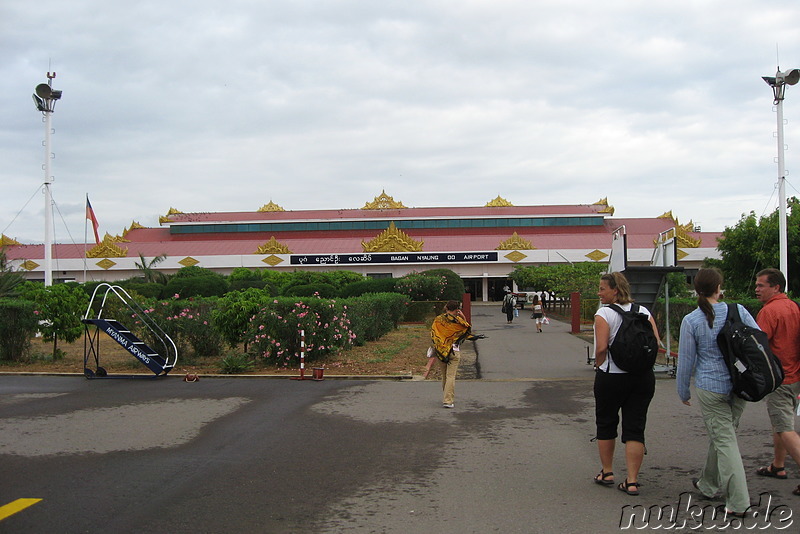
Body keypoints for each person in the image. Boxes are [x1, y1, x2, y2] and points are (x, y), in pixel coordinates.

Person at [677, 268, 754, 517]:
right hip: (740, 384)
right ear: (719, 286)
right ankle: (708, 484)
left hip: (711, 387)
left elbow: (686, 361)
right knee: (723, 435)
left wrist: (683, 392)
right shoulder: (739, 310)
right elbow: (757, 340)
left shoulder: (692, 320)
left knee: (724, 440)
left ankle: (739, 501)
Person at [592, 272, 659, 496]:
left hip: (611, 376)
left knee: (606, 422)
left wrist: (598, 365)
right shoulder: (644, 312)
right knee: (635, 427)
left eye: (603, 289)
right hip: (642, 378)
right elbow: (656, 342)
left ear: (615, 291)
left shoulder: (604, 313)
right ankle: (632, 480)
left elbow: (601, 348)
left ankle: (607, 472)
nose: (599, 293)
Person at [752, 268, 800, 496]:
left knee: (784, 428)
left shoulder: (768, 311)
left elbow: (758, 347)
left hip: (779, 378)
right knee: (780, 423)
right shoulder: (793, 306)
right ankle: (778, 465)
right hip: (794, 375)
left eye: (761, 285)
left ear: (776, 287)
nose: (756, 289)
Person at [430, 300, 474, 408]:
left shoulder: (438, 320)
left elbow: (433, 333)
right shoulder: (458, 321)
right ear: (457, 310)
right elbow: (467, 329)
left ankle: (446, 397)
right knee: (451, 376)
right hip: (454, 351)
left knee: (444, 375)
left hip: (441, 352)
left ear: (446, 308)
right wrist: (463, 317)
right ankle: (448, 400)